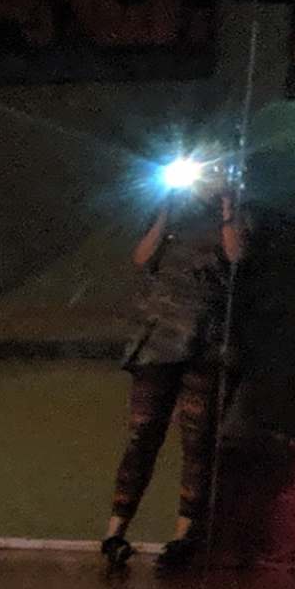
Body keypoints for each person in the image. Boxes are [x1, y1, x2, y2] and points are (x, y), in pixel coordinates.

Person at [106, 167, 245, 568]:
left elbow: (237, 256)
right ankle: (115, 532)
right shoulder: (172, 213)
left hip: (208, 343)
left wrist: (226, 208)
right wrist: (166, 207)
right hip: (160, 340)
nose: (202, 180)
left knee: (198, 442)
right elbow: (142, 258)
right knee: (141, 435)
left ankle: (184, 537)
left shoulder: (235, 211)